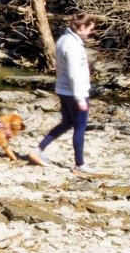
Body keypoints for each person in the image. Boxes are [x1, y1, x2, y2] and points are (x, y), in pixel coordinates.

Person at [33, 13, 96, 175]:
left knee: (67, 123)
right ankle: (79, 164)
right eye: (89, 29)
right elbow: (74, 73)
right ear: (82, 27)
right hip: (74, 91)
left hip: (62, 89)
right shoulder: (73, 45)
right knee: (80, 127)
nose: (90, 33)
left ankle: (37, 150)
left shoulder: (62, 39)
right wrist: (79, 97)